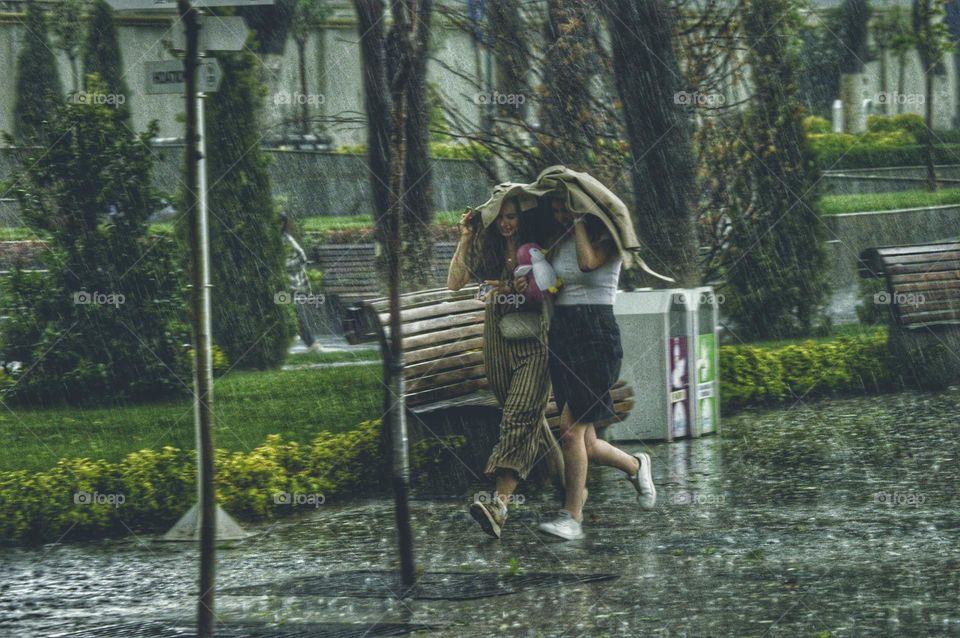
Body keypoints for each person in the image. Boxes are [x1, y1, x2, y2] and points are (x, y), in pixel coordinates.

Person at [537, 194, 656, 541]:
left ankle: (571, 517)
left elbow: (588, 263)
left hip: (596, 335)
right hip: (563, 334)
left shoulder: (609, 241)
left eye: (566, 208)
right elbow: (552, 287)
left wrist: (577, 222)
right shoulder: (557, 239)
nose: (561, 214)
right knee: (585, 443)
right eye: (556, 209)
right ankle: (635, 465)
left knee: (570, 431)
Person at [447, 199, 561, 539]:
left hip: (536, 340)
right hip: (498, 339)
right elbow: (455, 282)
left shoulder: (539, 245)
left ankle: (498, 505)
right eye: (499, 218)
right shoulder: (489, 246)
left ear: (523, 218)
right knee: (530, 422)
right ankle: (575, 495)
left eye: (511, 217)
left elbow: (554, 286)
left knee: (518, 418)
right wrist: (466, 236)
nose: (505, 224)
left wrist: (526, 288)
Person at [281, 213, 322, 353]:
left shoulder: (286, 239)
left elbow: (302, 257)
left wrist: (286, 267)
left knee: (297, 313)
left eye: (280, 223)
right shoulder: (279, 238)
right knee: (291, 312)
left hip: (292, 283)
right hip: (286, 282)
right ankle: (301, 339)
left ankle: (312, 343)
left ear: (283, 224)